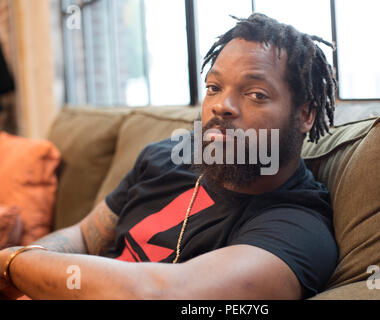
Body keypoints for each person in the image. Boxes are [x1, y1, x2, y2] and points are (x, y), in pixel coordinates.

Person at [0, 13, 338, 300]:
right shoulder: (166, 157)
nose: (221, 105)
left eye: (255, 94)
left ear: (305, 114)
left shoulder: (297, 228)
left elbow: (163, 294)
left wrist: (13, 263)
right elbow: (86, 236)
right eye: (213, 88)